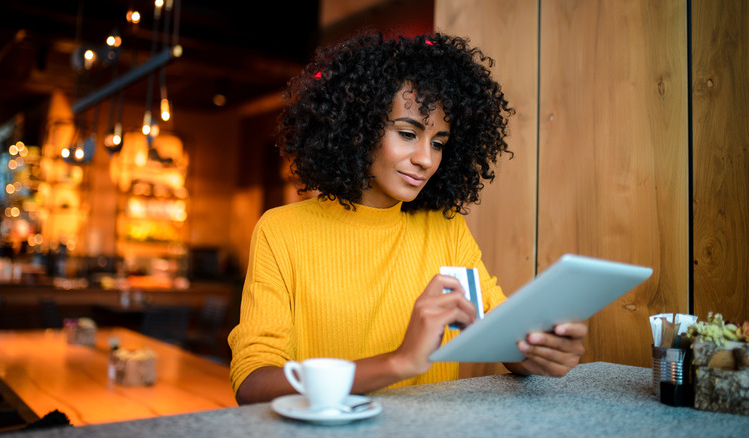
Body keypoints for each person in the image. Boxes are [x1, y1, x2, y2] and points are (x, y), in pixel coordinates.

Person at [228, 31, 587, 405]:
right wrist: (398, 362)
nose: (426, 160)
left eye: (438, 143)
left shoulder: (445, 229)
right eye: (407, 133)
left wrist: (540, 349)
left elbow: (502, 335)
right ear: (357, 129)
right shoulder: (282, 231)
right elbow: (253, 384)